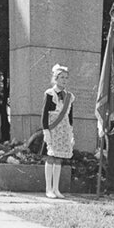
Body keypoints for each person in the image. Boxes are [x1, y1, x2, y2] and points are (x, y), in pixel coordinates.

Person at [41, 64, 75, 199]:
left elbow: (70, 115)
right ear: (55, 78)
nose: (64, 80)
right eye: (61, 77)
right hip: (52, 127)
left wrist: (71, 132)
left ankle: (56, 188)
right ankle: (48, 188)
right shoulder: (50, 93)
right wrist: (45, 131)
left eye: (66, 78)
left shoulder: (69, 96)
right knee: (51, 157)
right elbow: (44, 113)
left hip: (64, 129)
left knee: (59, 158)